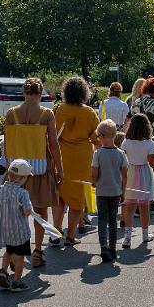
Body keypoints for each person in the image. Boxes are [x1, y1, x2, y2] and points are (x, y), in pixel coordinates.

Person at [2, 79, 61, 268]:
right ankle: (37, 251)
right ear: (40, 93)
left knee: (17, 212)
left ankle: (15, 252)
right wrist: (60, 168)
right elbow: (54, 144)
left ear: (24, 93)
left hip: (17, 169)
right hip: (40, 168)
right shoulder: (46, 114)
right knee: (40, 210)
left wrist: (7, 169)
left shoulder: (12, 114)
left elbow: (7, 144)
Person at [53, 77, 99, 247]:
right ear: (84, 93)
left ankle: (56, 229)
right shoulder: (89, 112)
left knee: (60, 197)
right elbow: (96, 138)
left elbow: (52, 134)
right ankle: (70, 236)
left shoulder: (58, 109)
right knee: (78, 200)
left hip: (61, 157)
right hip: (82, 159)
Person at [0, 160, 37, 292]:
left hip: (5, 231)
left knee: (9, 251)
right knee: (20, 256)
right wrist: (30, 210)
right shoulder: (23, 193)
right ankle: (17, 281)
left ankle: (3, 271)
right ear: (23, 178)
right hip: (20, 232)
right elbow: (26, 211)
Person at [91, 120, 128, 263]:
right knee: (113, 220)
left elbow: (94, 173)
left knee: (102, 219)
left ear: (104, 136)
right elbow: (124, 175)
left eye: (99, 136)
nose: (98, 138)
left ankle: (104, 247)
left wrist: (94, 182)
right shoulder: (121, 154)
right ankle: (113, 248)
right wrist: (123, 192)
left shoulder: (98, 154)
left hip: (101, 191)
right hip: (115, 191)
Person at [121, 112, 154, 248]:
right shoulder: (150, 143)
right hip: (144, 173)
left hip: (130, 172)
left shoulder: (126, 141)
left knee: (129, 207)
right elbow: (153, 163)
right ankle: (145, 234)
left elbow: (123, 159)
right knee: (144, 207)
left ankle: (127, 237)